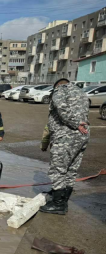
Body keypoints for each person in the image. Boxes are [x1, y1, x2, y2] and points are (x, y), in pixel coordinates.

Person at [39, 79, 89, 215]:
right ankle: (63, 198)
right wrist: (79, 125)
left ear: (57, 85)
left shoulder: (60, 90)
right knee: (71, 169)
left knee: (58, 169)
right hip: (82, 135)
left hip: (66, 136)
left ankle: (58, 204)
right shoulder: (81, 93)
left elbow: (61, 108)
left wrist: (75, 123)